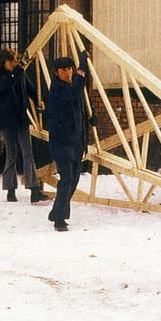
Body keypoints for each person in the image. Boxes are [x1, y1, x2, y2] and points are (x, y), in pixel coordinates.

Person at [0, 47, 48, 204]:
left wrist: (38, 100)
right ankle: (10, 190)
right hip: (7, 121)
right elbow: (7, 84)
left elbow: (31, 89)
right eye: (12, 61)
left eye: (15, 60)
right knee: (11, 154)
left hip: (21, 119)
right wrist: (19, 70)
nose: (15, 63)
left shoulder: (19, 73)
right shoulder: (0, 76)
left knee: (28, 154)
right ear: (4, 62)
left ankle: (34, 190)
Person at [46, 52, 91, 231]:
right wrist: (82, 69)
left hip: (77, 140)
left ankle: (56, 211)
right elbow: (73, 94)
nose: (68, 72)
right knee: (67, 179)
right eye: (63, 70)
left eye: (70, 69)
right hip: (62, 141)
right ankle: (59, 220)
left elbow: (79, 105)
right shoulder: (57, 87)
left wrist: (91, 117)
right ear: (56, 72)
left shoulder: (71, 85)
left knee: (74, 179)